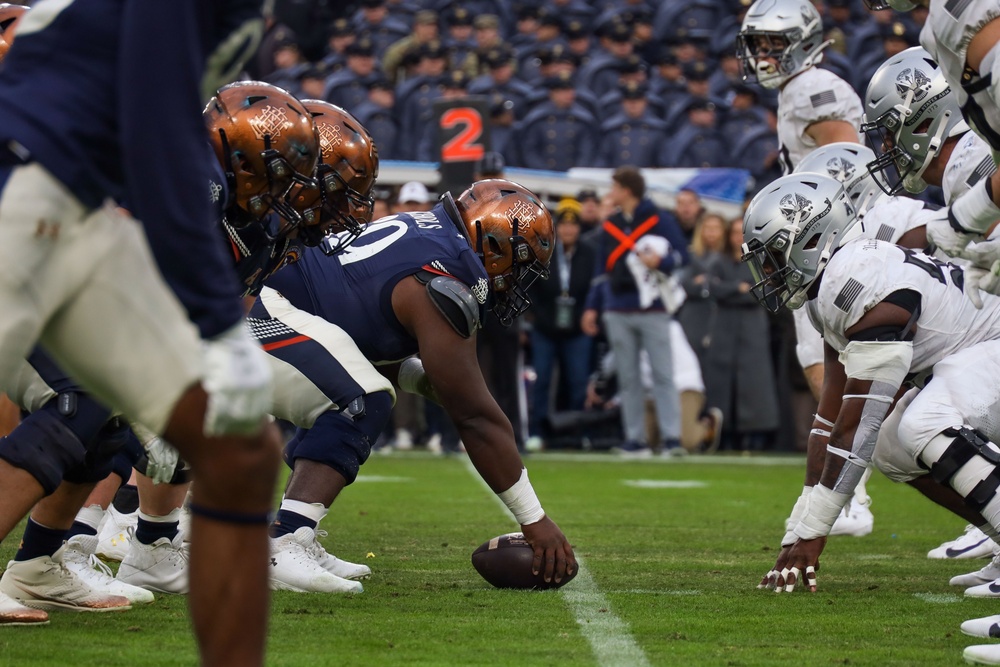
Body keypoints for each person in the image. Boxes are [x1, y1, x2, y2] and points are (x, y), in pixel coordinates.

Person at [0, 2, 281, 665]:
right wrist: (217, 320)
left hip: (79, 208)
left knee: (237, 447)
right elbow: (157, 128)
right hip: (19, 180)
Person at [253, 179, 577, 587]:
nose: (515, 280)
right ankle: (281, 545)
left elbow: (357, 337)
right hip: (261, 311)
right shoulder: (448, 274)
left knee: (350, 387)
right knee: (360, 400)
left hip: (271, 299)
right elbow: (476, 418)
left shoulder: (429, 231)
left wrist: (420, 379)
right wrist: (535, 520)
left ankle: (293, 530)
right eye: (519, 263)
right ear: (492, 245)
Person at [581, 166, 689, 457]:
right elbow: (601, 272)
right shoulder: (610, 224)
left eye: (614, 187)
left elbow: (682, 256)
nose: (610, 193)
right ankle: (635, 439)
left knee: (663, 374)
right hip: (617, 308)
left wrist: (661, 263)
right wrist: (592, 307)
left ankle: (671, 439)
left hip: (653, 308)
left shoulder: (660, 220)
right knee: (628, 377)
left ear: (626, 190)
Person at [680, 214, 776, 451]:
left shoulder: (761, 261)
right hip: (723, 326)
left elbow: (761, 292)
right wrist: (738, 288)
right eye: (733, 232)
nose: (737, 238)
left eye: (741, 233)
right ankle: (724, 433)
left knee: (753, 382)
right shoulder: (718, 261)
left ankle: (753, 435)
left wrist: (733, 291)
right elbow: (712, 288)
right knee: (721, 381)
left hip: (752, 327)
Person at [525, 203, 597, 452]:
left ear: (579, 228)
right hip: (545, 328)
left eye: (573, 225)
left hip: (577, 328)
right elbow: (530, 286)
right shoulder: (543, 250)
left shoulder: (589, 252)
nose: (568, 230)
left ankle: (578, 433)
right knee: (542, 380)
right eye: (564, 225)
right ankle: (537, 432)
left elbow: (593, 290)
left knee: (578, 381)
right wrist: (535, 318)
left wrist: (586, 315)